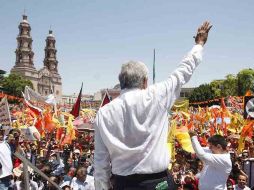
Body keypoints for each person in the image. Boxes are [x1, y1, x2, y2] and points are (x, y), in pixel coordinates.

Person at [94, 21, 212, 190]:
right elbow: (183, 71)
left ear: (121, 82)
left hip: (123, 185)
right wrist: (199, 44)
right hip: (158, 184)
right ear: (145, 81)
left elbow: (100, 162)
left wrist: (102, 187)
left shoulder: (103, 113)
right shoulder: (157, 95)